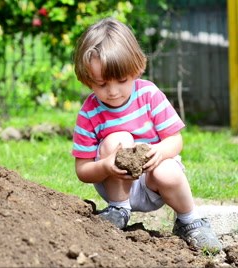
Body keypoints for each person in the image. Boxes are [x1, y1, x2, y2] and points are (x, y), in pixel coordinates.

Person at [71, 17, 222, 253]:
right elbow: (82, 170)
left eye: (122, 81)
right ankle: (118, 210)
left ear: (136, 69)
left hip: (153, 181)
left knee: (168, 170)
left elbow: (175, 140)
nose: (112, 92)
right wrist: (107, 166)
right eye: (101, 84)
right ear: (87, 79)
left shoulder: (149, 94)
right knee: (118, 138)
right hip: (115, 183)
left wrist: (159, 152)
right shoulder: (90, 112)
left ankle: (189, 221)